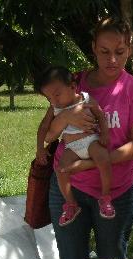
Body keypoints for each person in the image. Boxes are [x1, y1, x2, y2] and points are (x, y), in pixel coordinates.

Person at [36, 16, 133, 259]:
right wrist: (65, 118)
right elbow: (48, 133)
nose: (112, 59)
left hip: (116, 192)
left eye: (120, 51)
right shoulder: (73, 82)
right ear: (92, 48)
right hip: (67, 190)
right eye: (103, 51)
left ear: (130, 49)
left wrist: (96, 162)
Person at [35, 66, 115, 226]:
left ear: (72, 87)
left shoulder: (86, 99)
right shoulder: (55, 108)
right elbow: (44, 128)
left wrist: (105, 133)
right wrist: (40, 148)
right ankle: (71, 204)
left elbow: (100, 115)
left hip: (91, 140)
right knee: (61, 170)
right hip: (72, 147)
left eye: (57, 94)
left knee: (104, 159)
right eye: (49, 98)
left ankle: (105, 198)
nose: (54, 100)